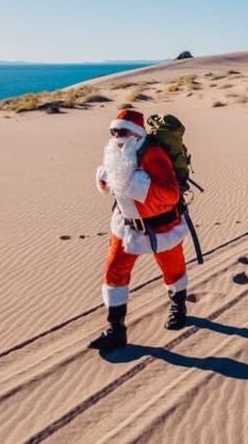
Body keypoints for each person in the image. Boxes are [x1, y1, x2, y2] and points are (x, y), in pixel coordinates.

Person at [89, 109, 190, 351]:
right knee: (114, 273)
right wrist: (105, 179)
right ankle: (116, 329)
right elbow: (111, 181)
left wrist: (133, 184)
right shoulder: (116, 151)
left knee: (173, 269)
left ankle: (178, 306)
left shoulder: (152, 153)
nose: (116, 136)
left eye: (122, 131)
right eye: (113, 131)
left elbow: (170, 193)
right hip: (126, 226)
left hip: (162, 226)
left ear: (135, 133)